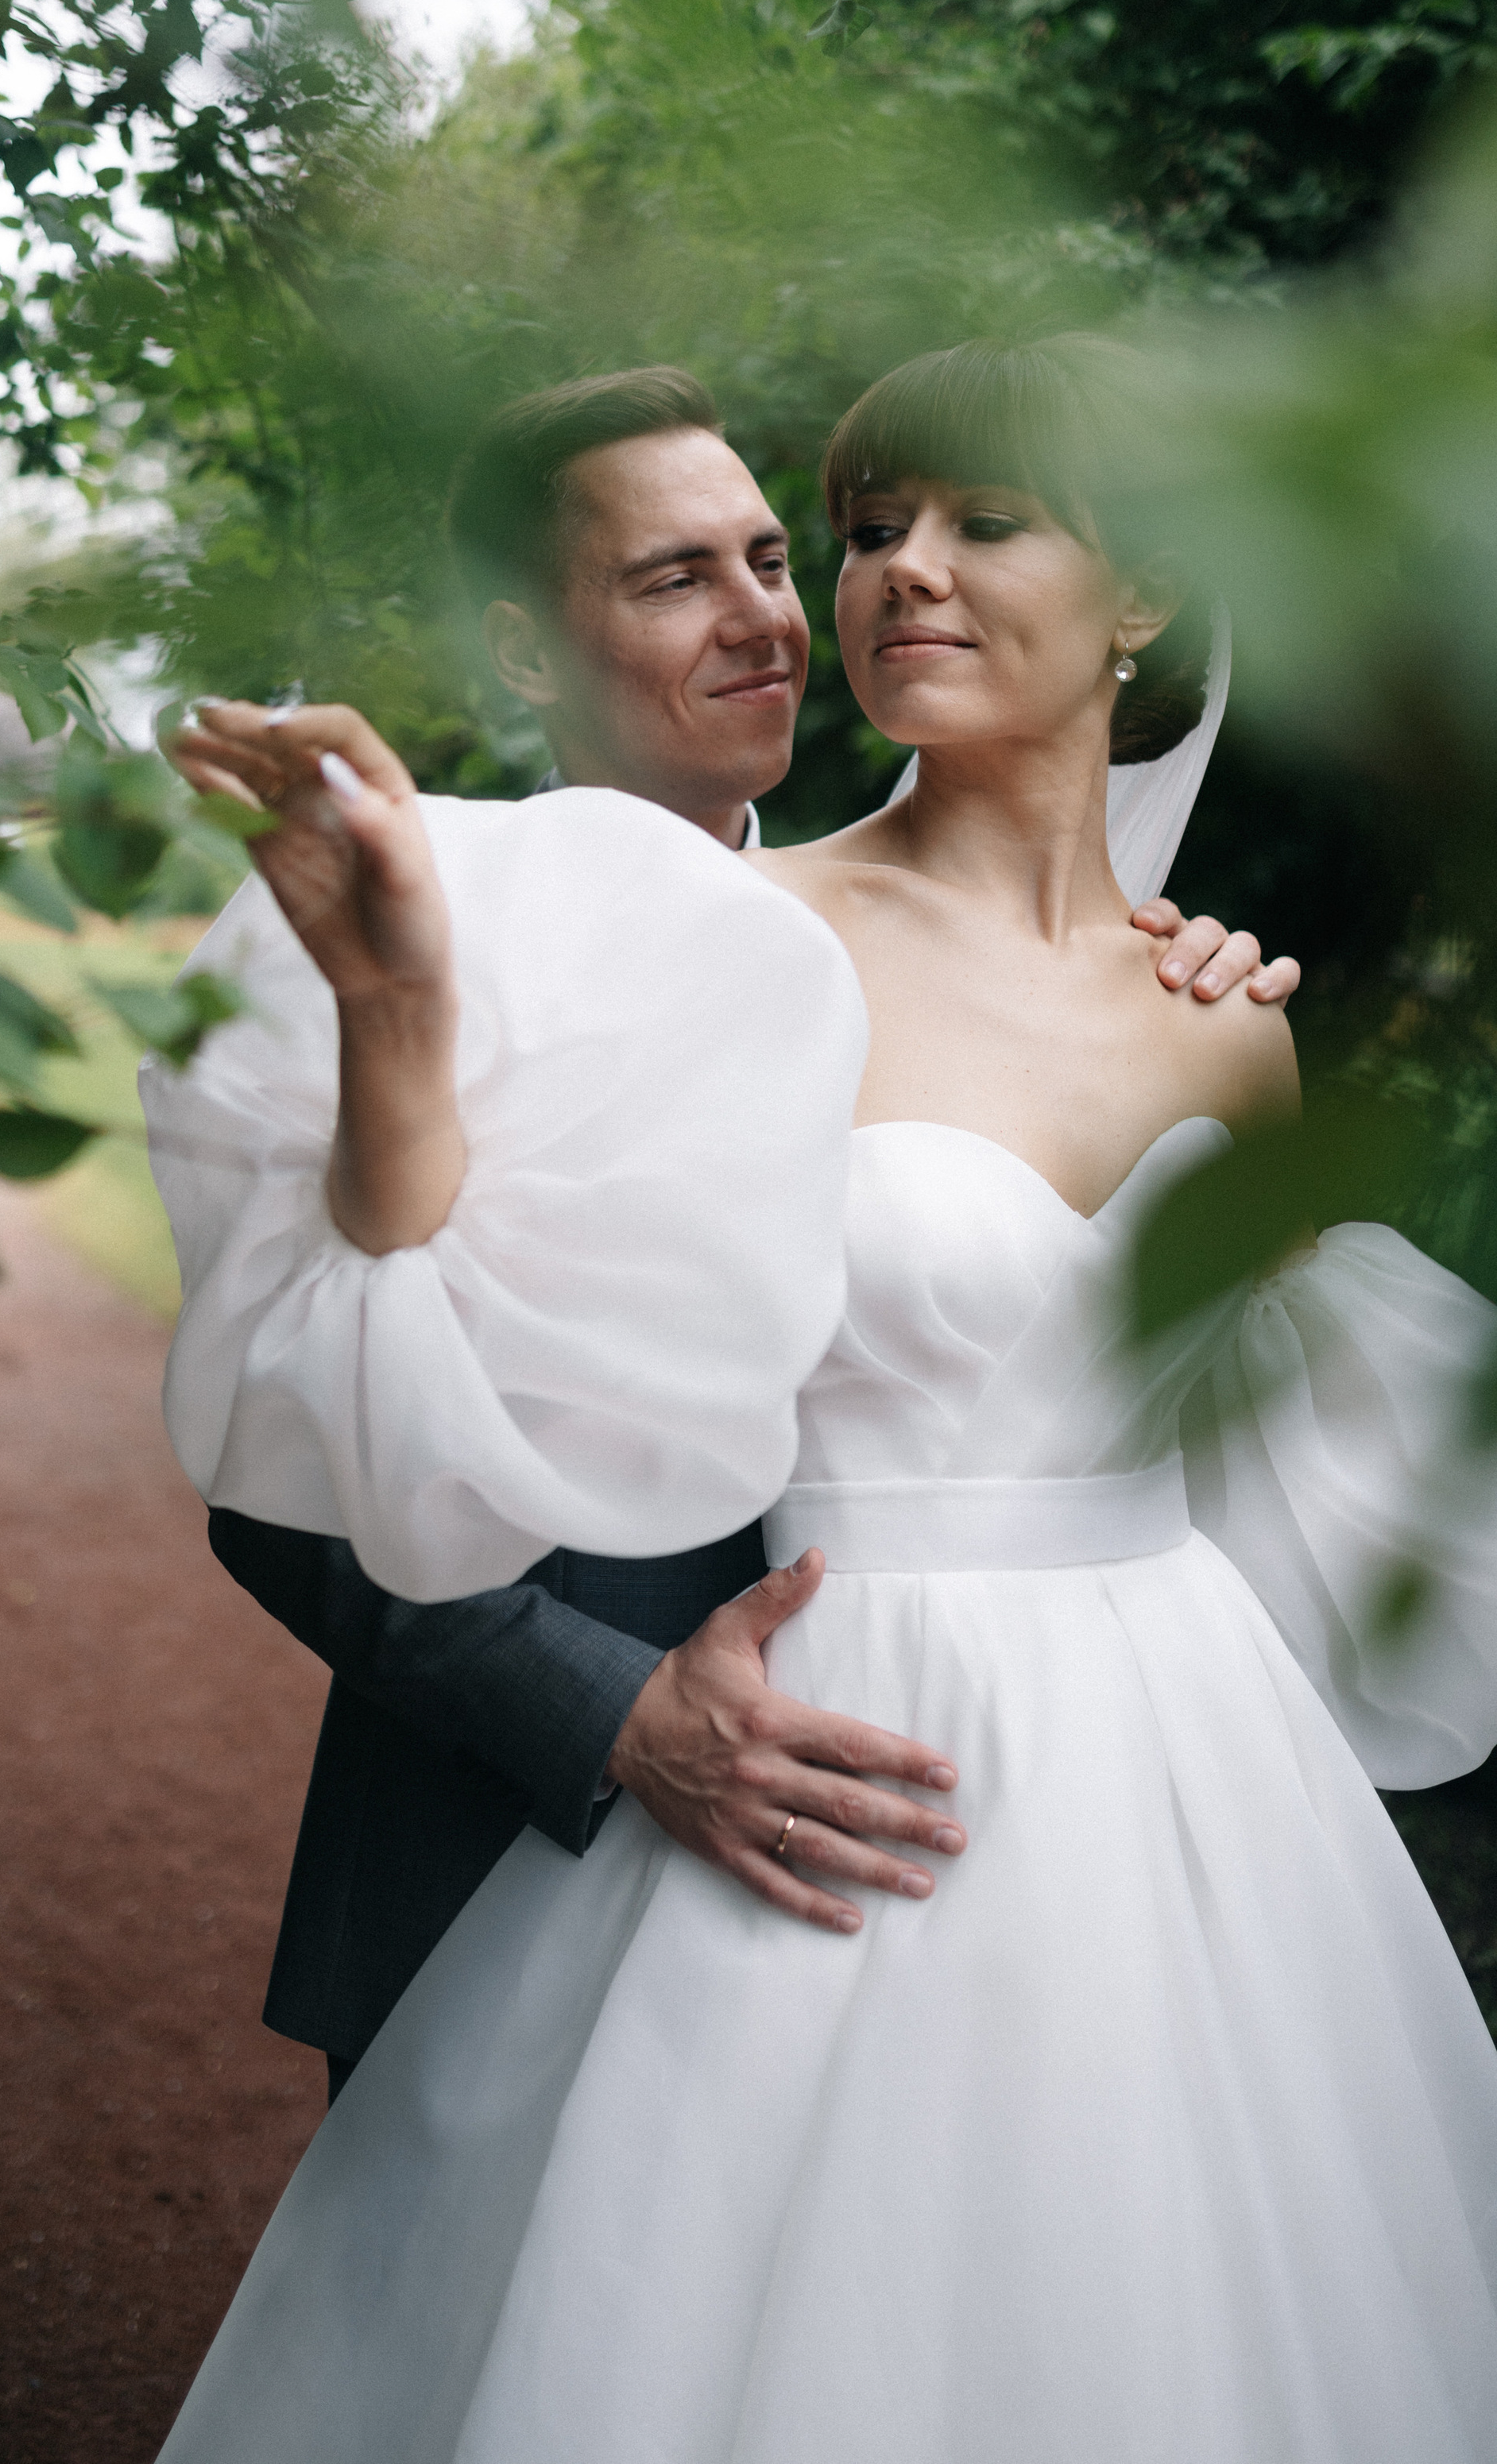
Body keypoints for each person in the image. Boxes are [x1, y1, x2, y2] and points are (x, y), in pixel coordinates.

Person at [147, 334, 1497, 2461]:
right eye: (873, 529)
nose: (885, 580)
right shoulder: (728, 943)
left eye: (976, 522)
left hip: (1178, 1784)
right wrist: (398, 1018)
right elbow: (399, 1330)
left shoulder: (1225, 1018)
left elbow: (1287, 1434)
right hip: (826, 1748)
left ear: (1147, 595)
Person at [204, 364, 1301, 2095]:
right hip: (527, 1838)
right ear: (521, 649)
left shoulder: (1185, 998)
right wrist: (612, 1715)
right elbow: (298, 1430)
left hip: (1074, 1802)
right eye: (671, 578)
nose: (772, 617)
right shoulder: (480, 930)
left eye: (775, 559)